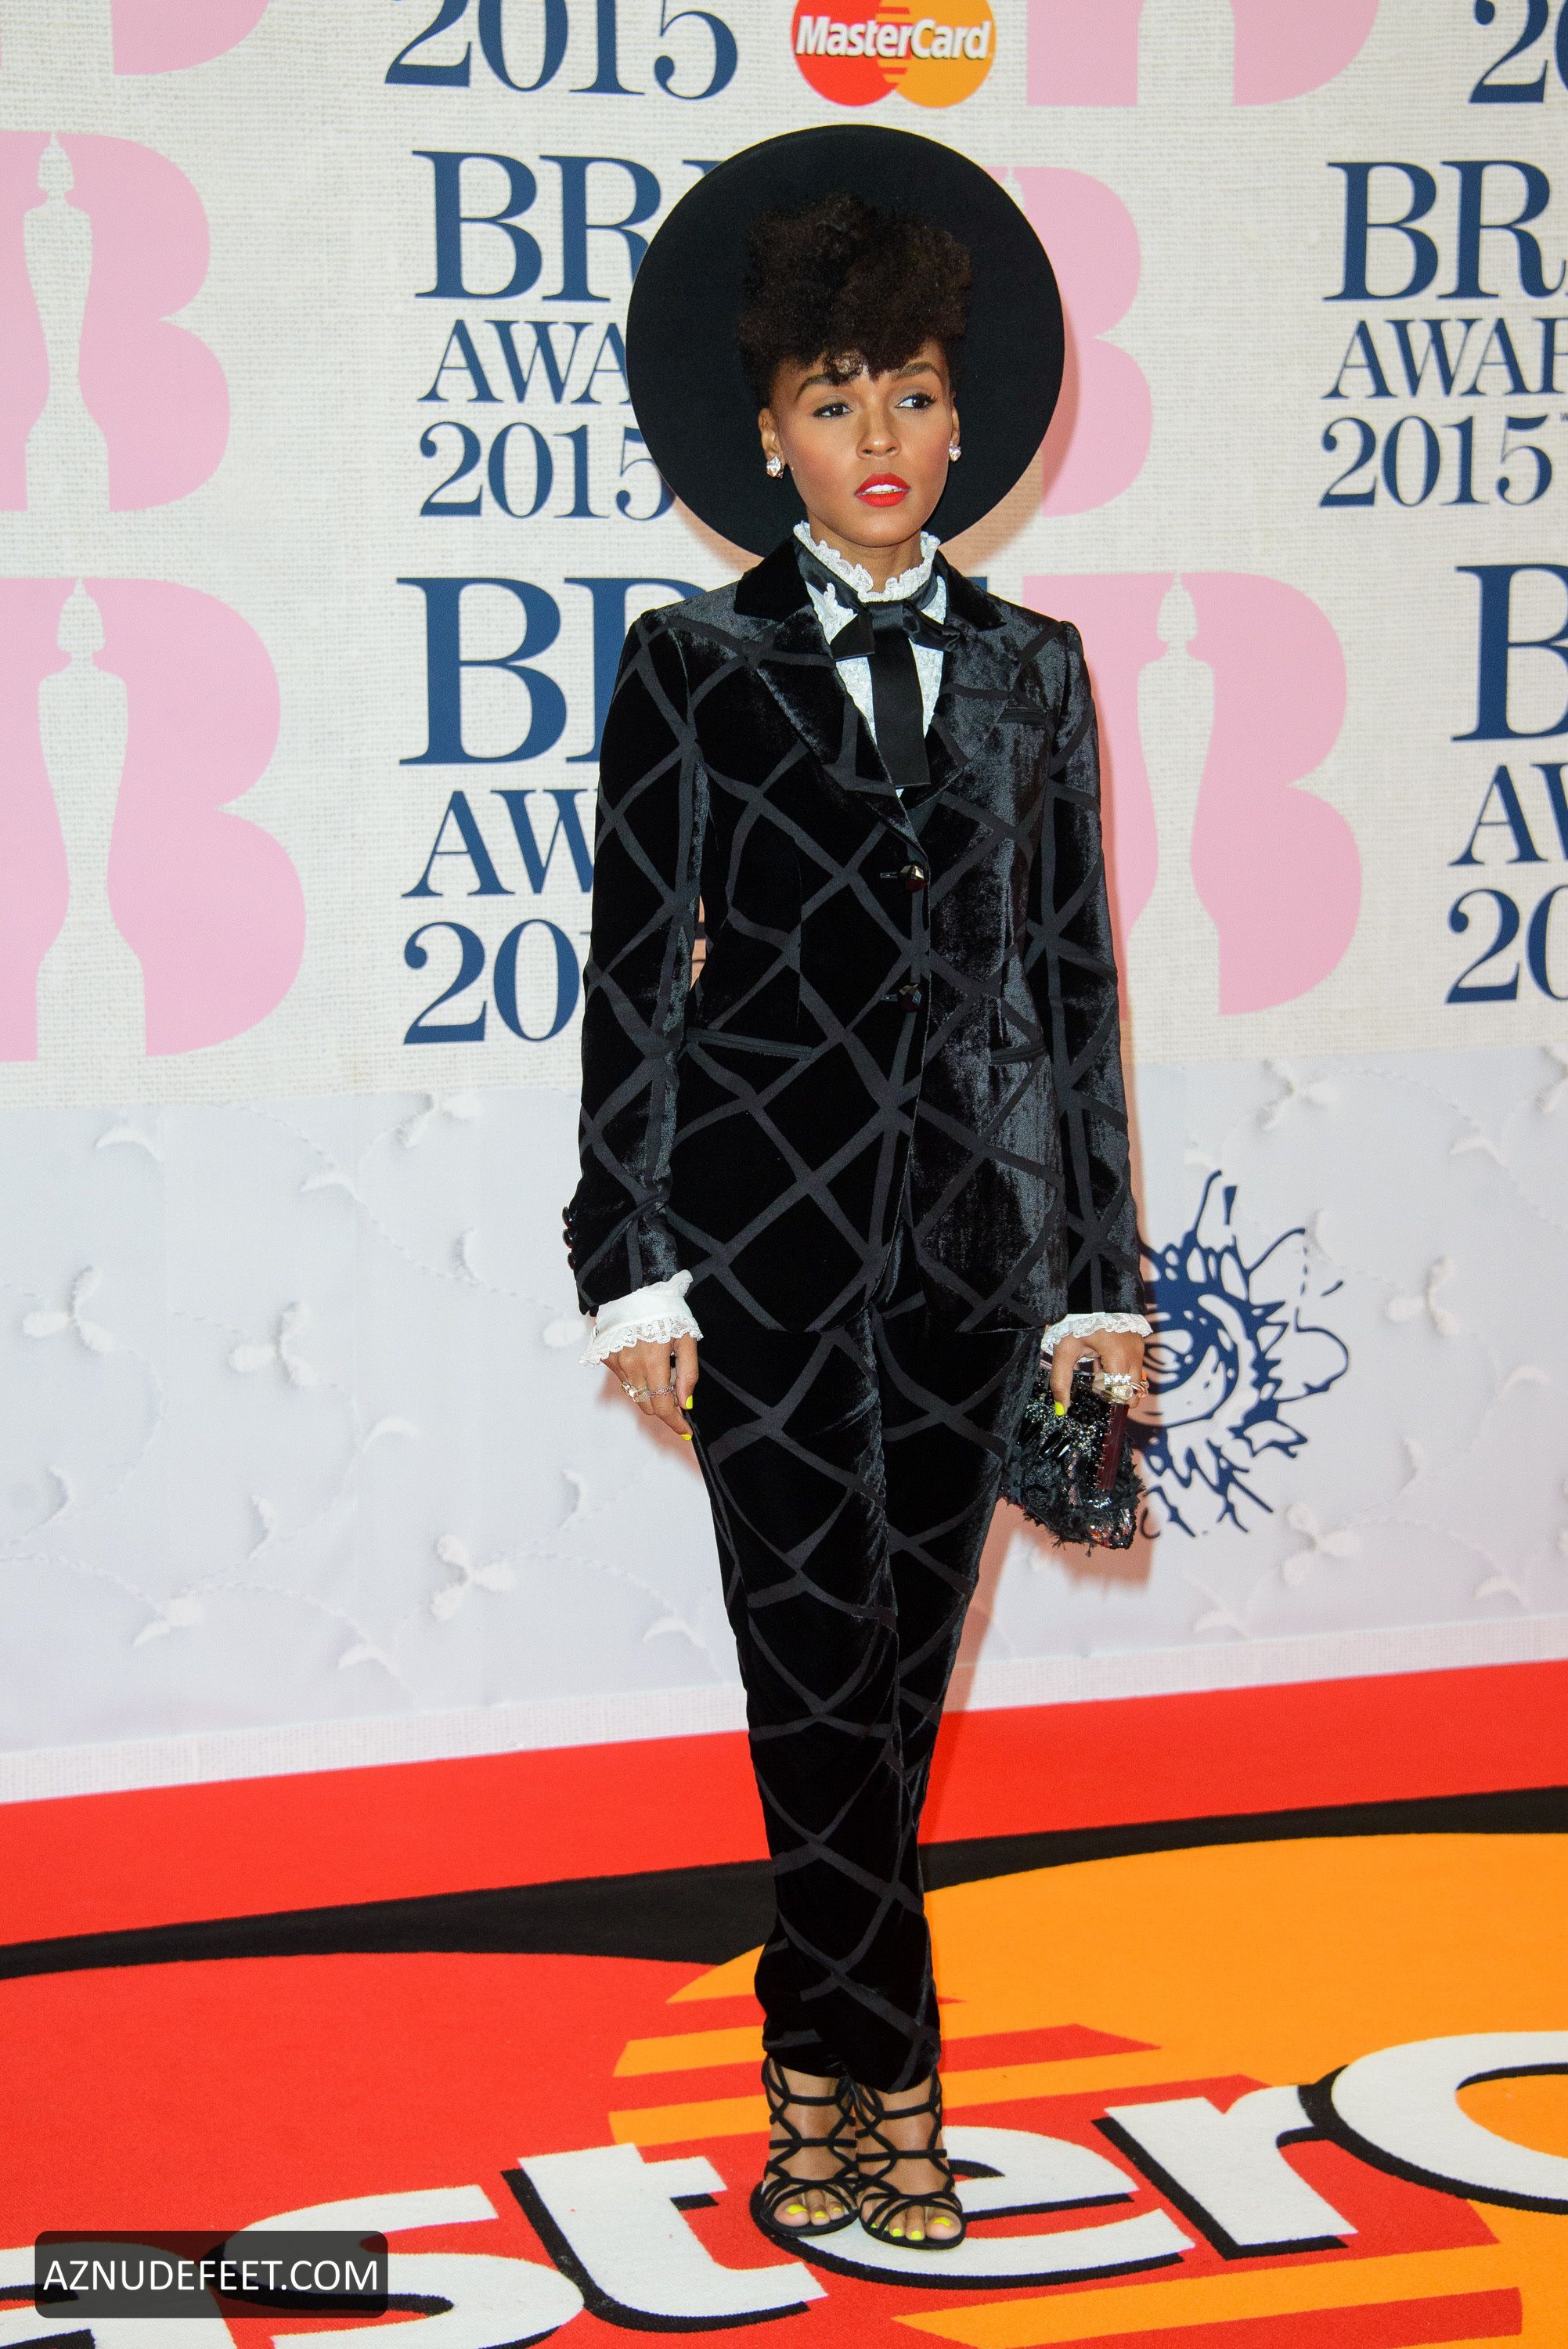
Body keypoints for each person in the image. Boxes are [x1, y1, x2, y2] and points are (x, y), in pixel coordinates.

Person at [563, 126, 1149, 2259]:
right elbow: (636, 975)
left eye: (911, 391)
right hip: (763, 1251)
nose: (880, 436)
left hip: (984, 1261)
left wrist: (1097, 1290)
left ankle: (811, 2065)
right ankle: (887, 2087)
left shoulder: (1037, 671)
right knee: (810, 1673)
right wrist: (629, 1263)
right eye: (835, 401)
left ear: (962, 415)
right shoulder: (690, 666)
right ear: (769, 436)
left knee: (894, 1695)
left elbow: (1071, 991)